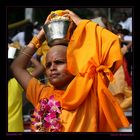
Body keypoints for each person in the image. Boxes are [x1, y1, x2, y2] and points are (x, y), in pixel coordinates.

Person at [11, 9, 130, 132]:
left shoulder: (90, 86)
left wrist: (80, 23)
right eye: (48, 65)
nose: (52, 67)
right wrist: (40, 36)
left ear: (75, 65)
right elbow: (17, 67)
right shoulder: (42, 93)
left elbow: (112, 43)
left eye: (59, 62)